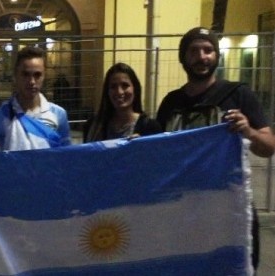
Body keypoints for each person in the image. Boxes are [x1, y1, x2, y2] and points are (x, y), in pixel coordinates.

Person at [156, 27, 275, 270]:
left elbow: (268, 147)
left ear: (217, 55)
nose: (202, 57)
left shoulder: (238, 94)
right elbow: (158, 154)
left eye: (208, 50)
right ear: (183, 58)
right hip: (183, 207)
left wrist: (248, 131)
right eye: (194, 51)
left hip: (230, 207)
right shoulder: (171, 103)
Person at [83, 62, 161, 142]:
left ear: (135, 88)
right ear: (107, 91)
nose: (119, 92)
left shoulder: (150, 128)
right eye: (113, 86)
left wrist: (142, 147)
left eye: (125, 85)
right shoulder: (93, 127)